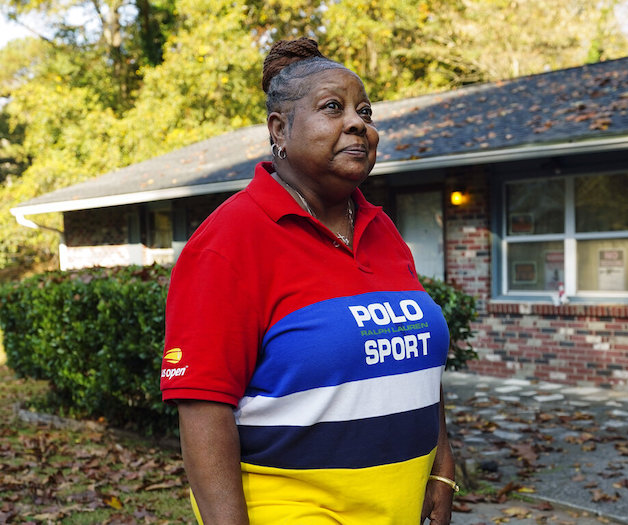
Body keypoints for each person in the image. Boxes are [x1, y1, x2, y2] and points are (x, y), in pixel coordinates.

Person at [160, 37, 456, 525]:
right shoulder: (229, 241)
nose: (359, 123)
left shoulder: (383, 231)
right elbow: (202, 408)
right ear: (280, 127)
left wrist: (441, 462)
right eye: (333, 108)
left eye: (365, 111)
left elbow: (416, 357)